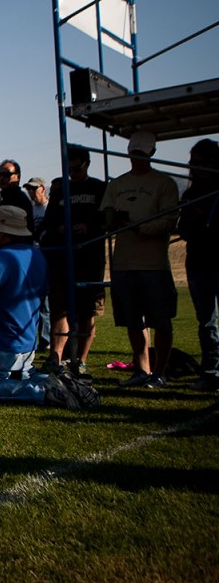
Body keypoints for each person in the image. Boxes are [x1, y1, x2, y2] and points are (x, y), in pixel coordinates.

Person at [0, 205, 99, 409]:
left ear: (2, 232)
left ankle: (44, 392)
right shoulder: (36, 256)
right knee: (23, 375)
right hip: (26, 343)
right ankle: (58, 383)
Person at [100, 131, 180, 389]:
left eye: (142, 155)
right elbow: (105, 215)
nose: (136, 159)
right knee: (133, 321)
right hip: (123, 263)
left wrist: (139, 227)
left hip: (154, 265)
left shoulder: (164, 183)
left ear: (151, 154)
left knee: (160, 320)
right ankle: (142, 369)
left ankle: (160, 371)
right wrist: (112, 220)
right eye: (133, 154)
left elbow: (169, 220)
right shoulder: (117, 184)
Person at [40, 145, 108, 377]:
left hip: (90, 259)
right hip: (63, 259)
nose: (72, 173)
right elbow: (47, 223)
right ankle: (56, 358)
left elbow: (106, 221)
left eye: (76, 168)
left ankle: (80, 360)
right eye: (68, 169)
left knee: (86, 312)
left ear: (86, 164)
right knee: (60, 310)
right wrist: (61, 227)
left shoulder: (99, 188)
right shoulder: (60, 191)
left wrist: (88, 227)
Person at [178, 138, 219, 391]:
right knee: (206, 322)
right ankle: (211, 373)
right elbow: (182, 230)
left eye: (199, 162)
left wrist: (206, 217)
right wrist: (192, 219)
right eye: (192, 162)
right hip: (197, 263)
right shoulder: (191, 193)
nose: (194, 167)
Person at [23, 176, 51, 351]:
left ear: (43, 188)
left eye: (34, 189)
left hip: (47, 258)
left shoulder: (50, 209)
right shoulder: (30, 210)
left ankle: (46, 339)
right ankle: (32, 337)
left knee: (46, 302)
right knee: (31, 300)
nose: (31, 193)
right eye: (29, 190)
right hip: (31, 259)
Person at [0, 159, 34, 232]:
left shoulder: (19, 200)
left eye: (6, 175)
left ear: (17, 177)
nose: (1, 178)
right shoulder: (5, 198)